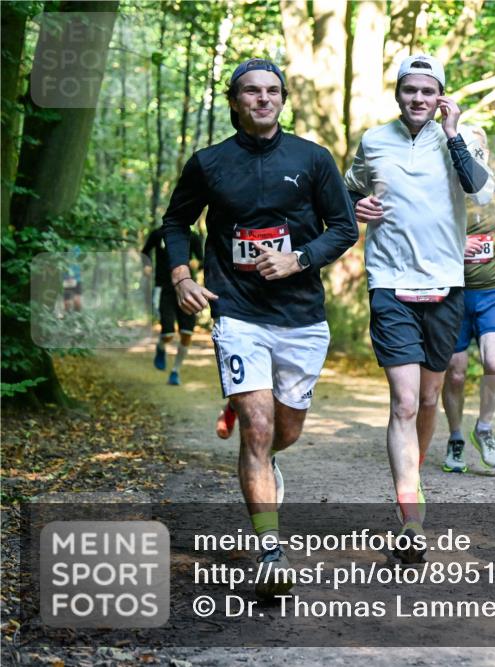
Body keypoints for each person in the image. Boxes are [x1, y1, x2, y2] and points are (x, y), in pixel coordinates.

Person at [161, 58, 358, 596]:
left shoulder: (313, 159)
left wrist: (301, 258)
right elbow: (175, 221)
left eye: (272, 91)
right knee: (258, 426)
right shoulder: (209, 163)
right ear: (234, 100)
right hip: (238, 311)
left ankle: (266, 460)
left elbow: (344, 227)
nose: (263, 99)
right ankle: (270, 550)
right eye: (251, 92)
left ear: (283, 98)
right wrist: (182, 276)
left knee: (283, 432)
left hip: (300, 316)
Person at [344, 54, 491, 561]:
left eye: (428, 91)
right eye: (410, 90)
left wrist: (452, 132)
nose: (419, 99)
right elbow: (347, 191)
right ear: (398, 93)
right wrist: (355, 207)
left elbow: (475, 186)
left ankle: (414, 481)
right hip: (389, 282)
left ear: (441, 96)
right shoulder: (373, 140)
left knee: (430, 401)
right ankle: (411, 514)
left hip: (446, 284)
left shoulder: (461, 139)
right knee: (404, 403)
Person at [440, 126, 495, 473]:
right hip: (453, 295)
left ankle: (484, 429)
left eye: (480, 149)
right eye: (467, 148)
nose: (475, 154)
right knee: (455, 374)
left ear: (486, 152)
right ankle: (456, 437)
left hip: (492, 292)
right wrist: (456, 247)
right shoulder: (443, 189)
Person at [142, 225, 204, 385]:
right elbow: (145, 253)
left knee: (186, 333)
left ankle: (175, 371)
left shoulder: (193, 237)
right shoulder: (158, 233)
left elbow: (201, 259)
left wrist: (197, 264)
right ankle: (161, 347)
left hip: (187, 288)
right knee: (168, 333)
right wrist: (147, 266)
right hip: (164, 288)